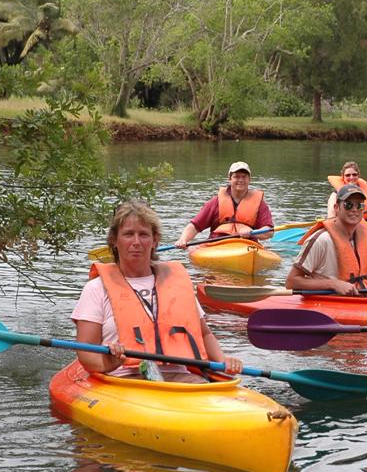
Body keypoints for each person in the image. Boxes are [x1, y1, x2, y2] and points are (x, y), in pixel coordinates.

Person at [73, 200, 243, 382]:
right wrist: (110, 362)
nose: (136, 242)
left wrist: (223, 359)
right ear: (115, 240)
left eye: (144, 235)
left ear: (155, 241)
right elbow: (86, 351)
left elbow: (204, 333)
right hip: (122, 379)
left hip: (179, 377)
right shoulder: (96, 288)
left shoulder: (176, 283)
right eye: (128, 234)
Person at [286, 184, 367, 295]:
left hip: (360, 298)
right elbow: (291, 281)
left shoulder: (364, 238)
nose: (354, 209)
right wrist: (333, 284)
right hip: (331, 301)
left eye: (359, 205)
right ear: (337, 207)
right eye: (348, 205)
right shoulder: (321, 240)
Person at [174, 162, 273, 248]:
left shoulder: (260, 204)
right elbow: (195, 226)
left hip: (247, 246)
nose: (241, 180)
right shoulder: (215, 202)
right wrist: (183, 239)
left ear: (249, 179)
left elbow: (269, 231)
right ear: (230, 178)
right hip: (218, 246)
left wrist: (251, 231)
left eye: (244, 176)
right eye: (237, 176)